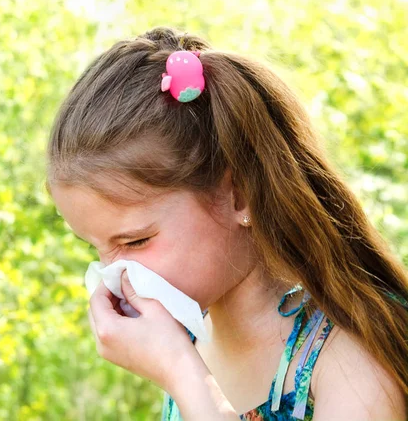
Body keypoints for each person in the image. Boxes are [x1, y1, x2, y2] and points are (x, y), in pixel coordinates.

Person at [46, 26, 408, 420]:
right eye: (95, 248)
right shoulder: (193, 337)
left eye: (135, 242)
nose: (116, 276)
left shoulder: (348, 361)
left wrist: (183, 374)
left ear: (240, 195)